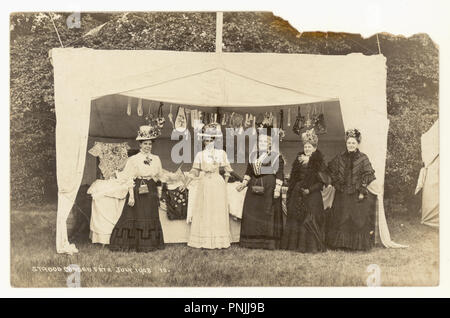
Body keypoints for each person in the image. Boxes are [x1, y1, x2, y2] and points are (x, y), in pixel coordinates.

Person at [109, 124, 174, 252]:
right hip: (138, 188)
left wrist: (171, 178)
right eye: (145, 144)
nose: (148, 146)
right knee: (135, 215)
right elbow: (129, 178)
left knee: (150, 215)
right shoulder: (133, 159)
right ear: (140, 145)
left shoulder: (156, 159)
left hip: (151, 189)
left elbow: (160, 175)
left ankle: (150, 244)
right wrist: (131, 196)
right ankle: (133, 244)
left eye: (150, 144)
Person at [326, 128, 377, 251]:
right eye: (349, 142)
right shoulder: (340, 157)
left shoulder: (363, 158)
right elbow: (329, 169)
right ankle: (340, 244)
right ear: (346, 143)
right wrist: (336, 182)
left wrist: (362, 188)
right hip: (342, 193)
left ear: (358, 144)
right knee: (340, 217)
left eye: (353, 143)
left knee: (356, 218)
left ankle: (356, 245)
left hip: (356, 194)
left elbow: (369, 174)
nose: (351, 145)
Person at [184, 123, 233, 249]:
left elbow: (228, 170)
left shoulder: (221, 153)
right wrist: (186, 182)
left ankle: (218, 240)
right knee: (204, 210)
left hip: (217, 183)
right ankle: (203, 240)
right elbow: (194, 170)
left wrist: (225, 183)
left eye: (211, 140)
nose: (209, 142)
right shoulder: (200, 155)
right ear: (203, 141)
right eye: (206, 140)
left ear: (214, 140)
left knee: (217, 211)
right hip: (204, 182)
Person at [237, 123, 284, 250]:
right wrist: (243, 184)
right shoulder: (253, 155)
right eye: (260, 141)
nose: (261, 143)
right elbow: (248, 172)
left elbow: (280, 174)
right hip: (253, 186)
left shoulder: (276, 157)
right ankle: (250, 242)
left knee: (266, 213)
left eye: (264, 141)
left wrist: (277, 190)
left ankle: (267, 243)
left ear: (269, 143)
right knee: (252, 212)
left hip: (269, 188)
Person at [280, 129, 328, 253]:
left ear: (314, 148)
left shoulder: (319, 161)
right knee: (296, 217)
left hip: (312, 195)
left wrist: (310, 190)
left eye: (310, 147)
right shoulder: (299, 159)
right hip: (298, 192)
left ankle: (310, 246)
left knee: (310, 217)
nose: (307, 149)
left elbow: (322, 181)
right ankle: (295, 245)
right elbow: (294, 177)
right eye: (306, 146)